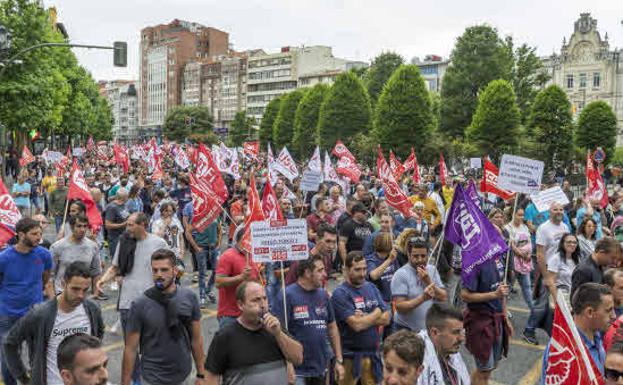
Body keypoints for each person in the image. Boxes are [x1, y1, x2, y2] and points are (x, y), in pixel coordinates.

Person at [3, 262, 105, 385]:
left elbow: (98, 335)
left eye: (85, 290)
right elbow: (10, 343)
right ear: (63, 284)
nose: (80, 295)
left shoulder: (92, 309)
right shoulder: (40, 314)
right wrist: (23, 377)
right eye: (75, 289)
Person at [96, 212, 168, 384]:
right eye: (127, 224)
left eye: (130, 225)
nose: (127, 228)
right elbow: (115, 267)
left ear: (142, 224)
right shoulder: (125, 241)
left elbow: (170, 268)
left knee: (153, 345)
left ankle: (153, 377)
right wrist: (102, 280)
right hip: (128, 303)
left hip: (154, 303)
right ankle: (135, 380)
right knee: (131, 347)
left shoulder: (158, 243)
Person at [122, 249, 206, 385]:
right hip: (151, 378)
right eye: (155, 270)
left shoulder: (189, 298)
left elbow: (196, 340)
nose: (159, 275)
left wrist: (201, 374)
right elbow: (130, 349)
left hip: (183, 376)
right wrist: (125, 382)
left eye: (164, 270)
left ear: (175, 271)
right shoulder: (139, 304)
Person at [204, 281, 304, 385]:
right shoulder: (225, 336)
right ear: (240, 305)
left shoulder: (275, 328)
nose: (262, 305)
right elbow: (211, 376)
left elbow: (298, 358)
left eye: (264, 298)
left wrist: (278, 334)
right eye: (255, 300)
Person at [273, 255, 345, 385]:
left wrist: (339, 360)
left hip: (321, 369)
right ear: (307, 273)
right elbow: (278, 334)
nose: (325, 274)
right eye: (320, 270)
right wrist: (287, 364)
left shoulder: (323, 295)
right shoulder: (286, 295)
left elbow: (332, 327)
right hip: (297, 372)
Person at [0, 218, 54, 385]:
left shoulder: (44, 254)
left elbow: (45, 278)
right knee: (9, 355)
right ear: (21, 234)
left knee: (37, 356)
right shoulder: (4, 258)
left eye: (40, 233)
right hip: (9, 315)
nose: (39, 237)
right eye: (34, 234)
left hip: (35, 313)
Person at [331, 251, 390, 385]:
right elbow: (357, 325)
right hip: (349, 359)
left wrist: (365, 317)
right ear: (346, 270)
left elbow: (387, 318)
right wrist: (376, 313)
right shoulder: (340, 293)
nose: (363, 273)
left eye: (364, 269)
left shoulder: (371, 287)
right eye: (357, 269)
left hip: (372, 357)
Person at [541, 283, 616, 382]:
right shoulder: (566, 353)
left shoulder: (596, 334)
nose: (614, 316)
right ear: (589, 312)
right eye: (608, 310)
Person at [523, 202, 570, 345]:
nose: (559, 212)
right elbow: (540, 254)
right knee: (542, 304)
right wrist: (546, 275)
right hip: (548, 270)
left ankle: (554, 332)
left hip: (562, 271)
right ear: (549, 212)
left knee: (557, 303)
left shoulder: (565, 227)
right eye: (555, 209)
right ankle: (528, 330)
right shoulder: (543, 229)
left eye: (561, 209)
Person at [461, 253, 511, 385]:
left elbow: (502, 291)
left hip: (497, 319)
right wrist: (494, 294)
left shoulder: (498, 260)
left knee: (488, 368)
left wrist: (505, 316)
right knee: (484, 371)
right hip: (481, 321)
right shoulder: (475, 262)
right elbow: (465, 295)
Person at [392, 237, 447, 332]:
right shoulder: (401, 274)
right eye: (415, 256)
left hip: (427, 329)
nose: (420, 260)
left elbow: (443, 297)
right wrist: (423, 298)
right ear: (408, 255)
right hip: (406, 330)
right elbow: (400, 307)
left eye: (423, 256)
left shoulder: (432, 269)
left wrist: (428, 281)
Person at [215, 226, 260, 328]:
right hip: (230, 315)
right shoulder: (227, 256)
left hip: (250, 313)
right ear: (244, 239)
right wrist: (241, 277)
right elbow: (218, 282)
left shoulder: (253, 256)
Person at [416, 303, 470, 385]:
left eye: (462, 332)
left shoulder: (451, 351)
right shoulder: (417, 359)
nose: (461, 338)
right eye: (456, 332)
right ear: (434, 332)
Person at [49, 215, 101, 295]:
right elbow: (50, 275)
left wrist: (95, 294)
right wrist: (52, 297)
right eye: (79, 226)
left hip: (83, 293)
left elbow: (96, 272)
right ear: (71, 227)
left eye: (85, 226)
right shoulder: (57, 247)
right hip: (62, 292)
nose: (82, 229)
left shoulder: (93, 246)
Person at [183, 200, 220, 306]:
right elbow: (188, 232)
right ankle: (202, 295)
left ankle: (208, 289)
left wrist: (218, 243)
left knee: (216, 270)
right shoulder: (197, 217)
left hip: (213, 248)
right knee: (202, 273)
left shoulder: (214, 215)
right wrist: (195, 247)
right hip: (201, 248)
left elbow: (219, 229)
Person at [505, 207, 534, 311]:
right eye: (519, 215)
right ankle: (503, 310)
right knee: (507, 288)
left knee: (527, 287)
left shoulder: (525, 227)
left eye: (523, 215)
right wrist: (521, 254)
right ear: (513, 215)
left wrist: (529, 255)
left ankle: (533, 309)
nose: (522, 217)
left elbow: (529, 241)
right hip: (512, 264)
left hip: (525, 263)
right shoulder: (508, 228)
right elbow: (511, 245)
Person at [366, 232, 401, 307]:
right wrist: (389, 260)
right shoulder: (371, 259)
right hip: (380, 301)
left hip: (393, 300)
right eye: (392, 242)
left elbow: (398, 275)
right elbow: (373, 276)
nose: (394, 244)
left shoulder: (393, 258)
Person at [545, 233, 580, 306]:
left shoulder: (577, 260)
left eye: (574, 242)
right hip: (560, 296)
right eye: (569, 242)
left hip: (572, 296)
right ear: (562, 243)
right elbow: (551, 282)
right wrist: (557, 301)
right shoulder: (556, 259)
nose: (572, 244)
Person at [104, 187, 130, 260]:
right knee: (117, 260)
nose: (128, 198)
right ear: (124, 197)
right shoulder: (112, 207)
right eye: (127, 196)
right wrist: (123, 224)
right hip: (115, 239)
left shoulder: (124, 205)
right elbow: (108, 225)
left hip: (124, 236)